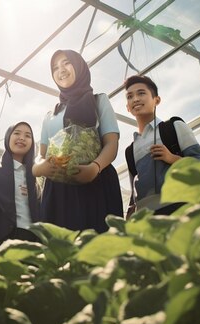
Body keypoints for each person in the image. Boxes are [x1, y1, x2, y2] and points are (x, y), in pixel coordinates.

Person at [32, 49, 123, 233]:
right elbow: (40, 155)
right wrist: (38, 167)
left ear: (79, 66)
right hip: (58, 192)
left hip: (96, 184)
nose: (61, 69)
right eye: (55, 67)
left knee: (97, 246)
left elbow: (111, 143)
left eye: (66, 62)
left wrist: (94, 167)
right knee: (61, 250)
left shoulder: (98, 100)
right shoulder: (50, 115)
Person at [123, 75, 200, 218]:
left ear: (157, 100)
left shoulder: (174, 127)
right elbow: (133, 195)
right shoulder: (130, 151)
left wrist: (172, 158)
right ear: (127, 108)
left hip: (182, 209)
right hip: (148, 218)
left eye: (141, 93)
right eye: (130, 96)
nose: (135, 99)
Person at [0, 122, 40, 275]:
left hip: (33, 243)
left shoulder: (37, 178)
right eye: (17, 133)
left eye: (28, 136)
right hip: (3, 241)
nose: (22, 138)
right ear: (8, 137)